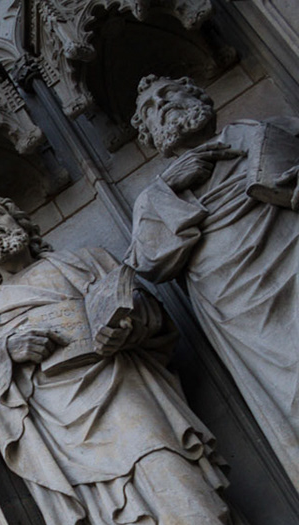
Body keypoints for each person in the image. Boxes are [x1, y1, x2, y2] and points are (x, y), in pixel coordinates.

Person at [0, 192, 263, 525]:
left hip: (121, 388)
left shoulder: (86, 262)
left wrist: (129, 319)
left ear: (22, 221)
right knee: (110, 517)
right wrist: (7, 351)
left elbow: (150, 314)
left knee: (166, 472)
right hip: (61, 429)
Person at [129, 77, 299, 469]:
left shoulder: (267, 132)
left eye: (171, 93)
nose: (163, 103)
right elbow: (150, 263)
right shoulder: (155, 196)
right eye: (152, 107)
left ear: (200, 98)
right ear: (151, 136)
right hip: (238, 305)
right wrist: (170, 188)